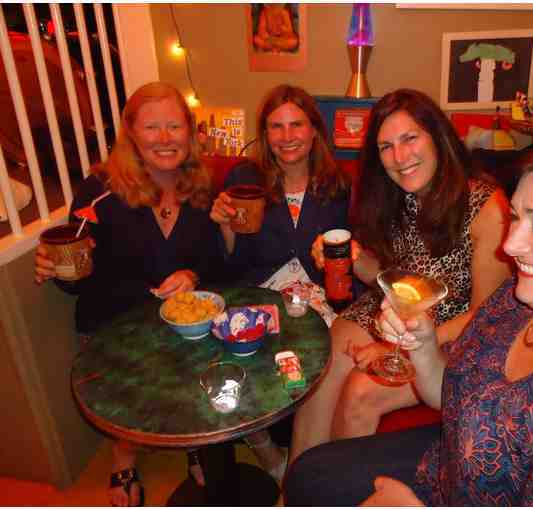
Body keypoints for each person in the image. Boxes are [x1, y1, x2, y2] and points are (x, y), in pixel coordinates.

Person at [284, 133, 533, 506]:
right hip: (447, 465)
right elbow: (453, 396)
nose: (509, 245)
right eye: (516, 217)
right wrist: (424, 346)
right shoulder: (518, 299)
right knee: (308, 473)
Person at [289, 88, 511, 462]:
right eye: (386, 147)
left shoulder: (486, 206)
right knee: (325, 361)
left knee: (360, 391)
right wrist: (352, 257)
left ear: (437, 136)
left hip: (454, 333)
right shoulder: (397, 195)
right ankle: (299, 482)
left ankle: (337, 486)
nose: (400, 157)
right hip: (399, 311)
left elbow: (484, 314)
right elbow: (393, 278)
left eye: (410, 138)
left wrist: (403, 345)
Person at [34, 82, 224, 506]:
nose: (164, 137)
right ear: (131, 133)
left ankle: (192, 440)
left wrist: (193, 273)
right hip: (115, 323)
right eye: (151, 127)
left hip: (181, 326)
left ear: (190, 131)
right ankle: (124, 453)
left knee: (204, 349)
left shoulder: (203, 185)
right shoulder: (98, 189)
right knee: (135, 385)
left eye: (174, 126)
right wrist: (57, 266)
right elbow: (76, 278)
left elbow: (215, 259)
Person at [210, 83, 352, 482]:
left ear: (314, 130)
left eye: (296, 125)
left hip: (316, 299)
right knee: (234, 357)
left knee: (327, 359)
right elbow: (231, 263)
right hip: (259, 294)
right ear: (265, 133)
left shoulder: (337, 184)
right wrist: (225, 227)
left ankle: (314, 457)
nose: (287, 136)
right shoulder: (244, 178)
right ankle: (268, 454)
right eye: (276, 126)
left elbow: (347, 254)